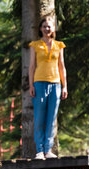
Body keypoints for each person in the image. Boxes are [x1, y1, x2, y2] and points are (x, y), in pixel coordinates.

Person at [29, 16, 68, 160]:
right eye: (44, 26)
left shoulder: (59, 45)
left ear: (54, 29)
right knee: (39, 117)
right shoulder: (35, 45)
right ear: (40, 28)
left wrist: (64, 86)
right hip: (39, 83)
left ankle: (48, 149)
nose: (47, 29)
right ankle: (39, 150)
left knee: (51, 118)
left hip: (56, 84)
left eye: (49, 26)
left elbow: (62, 66)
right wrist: (31, 84)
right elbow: (32, 66)